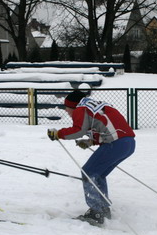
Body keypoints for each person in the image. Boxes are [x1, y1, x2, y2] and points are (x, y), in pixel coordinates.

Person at [47, 90, 136, 225]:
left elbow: (79, 130)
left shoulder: (80, 108)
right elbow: (108, 127)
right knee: (98, 174)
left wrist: (58, 134)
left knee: (88, 172)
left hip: (116, 144)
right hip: (128, 143)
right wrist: (91, 141)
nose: (66, 111)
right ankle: (103, 208)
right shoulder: (95, 106)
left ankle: (96, 213)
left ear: (72, 105)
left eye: (66, 107)